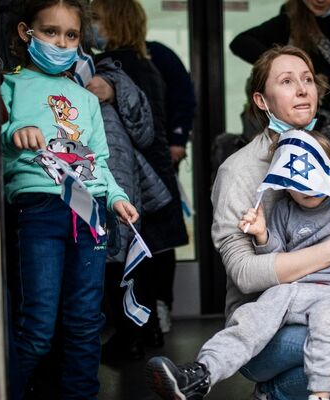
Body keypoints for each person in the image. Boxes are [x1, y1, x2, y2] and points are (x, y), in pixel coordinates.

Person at [147, 46, 330, 400]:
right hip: (266, 323)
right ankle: (265, 390)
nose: (302, 89)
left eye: (308, 79)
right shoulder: (238, 172)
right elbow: (246, 274)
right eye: (286, 81)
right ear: (262, 100)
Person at [146, 129, 330, 400]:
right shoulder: (284, 211)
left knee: (325, 326)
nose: (305, 190)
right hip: (292, 290)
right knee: (251, 319)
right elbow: (277, 256)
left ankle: (320, 393)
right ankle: (200, 373)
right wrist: (262, 235)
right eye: (294, 182)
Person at [0, 0, 139, 398]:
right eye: (50, 32)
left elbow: (101, 163)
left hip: (90, 213)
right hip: (39, 210)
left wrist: (115, 197)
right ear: (28, 32)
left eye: (71, 35)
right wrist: (14, 132)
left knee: (84, 324)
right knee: (38, 328)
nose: (60, 42)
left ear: (81, 42)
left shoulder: (88, 100)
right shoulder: (8, 86)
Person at [91, 0, 189, 358]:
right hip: (157, 169)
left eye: (97, 18)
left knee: (128, 256)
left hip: (135, 174)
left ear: (116, 22)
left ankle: (129, 333)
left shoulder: (115, 68)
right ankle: (149, 328)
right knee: (151, 252)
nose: (91, 27)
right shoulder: (147, 63)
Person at [229, 0, 330, 156]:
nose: (320, 0)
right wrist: (281, 66)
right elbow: (240, 42)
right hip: (307, 125)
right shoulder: (289, 21)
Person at [146, 39, 198, 334]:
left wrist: (178, 140)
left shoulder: (158, 54)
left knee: (161, 236)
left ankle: (162, 305)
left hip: (161, 157)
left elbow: (183, 95)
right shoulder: (93, 59)